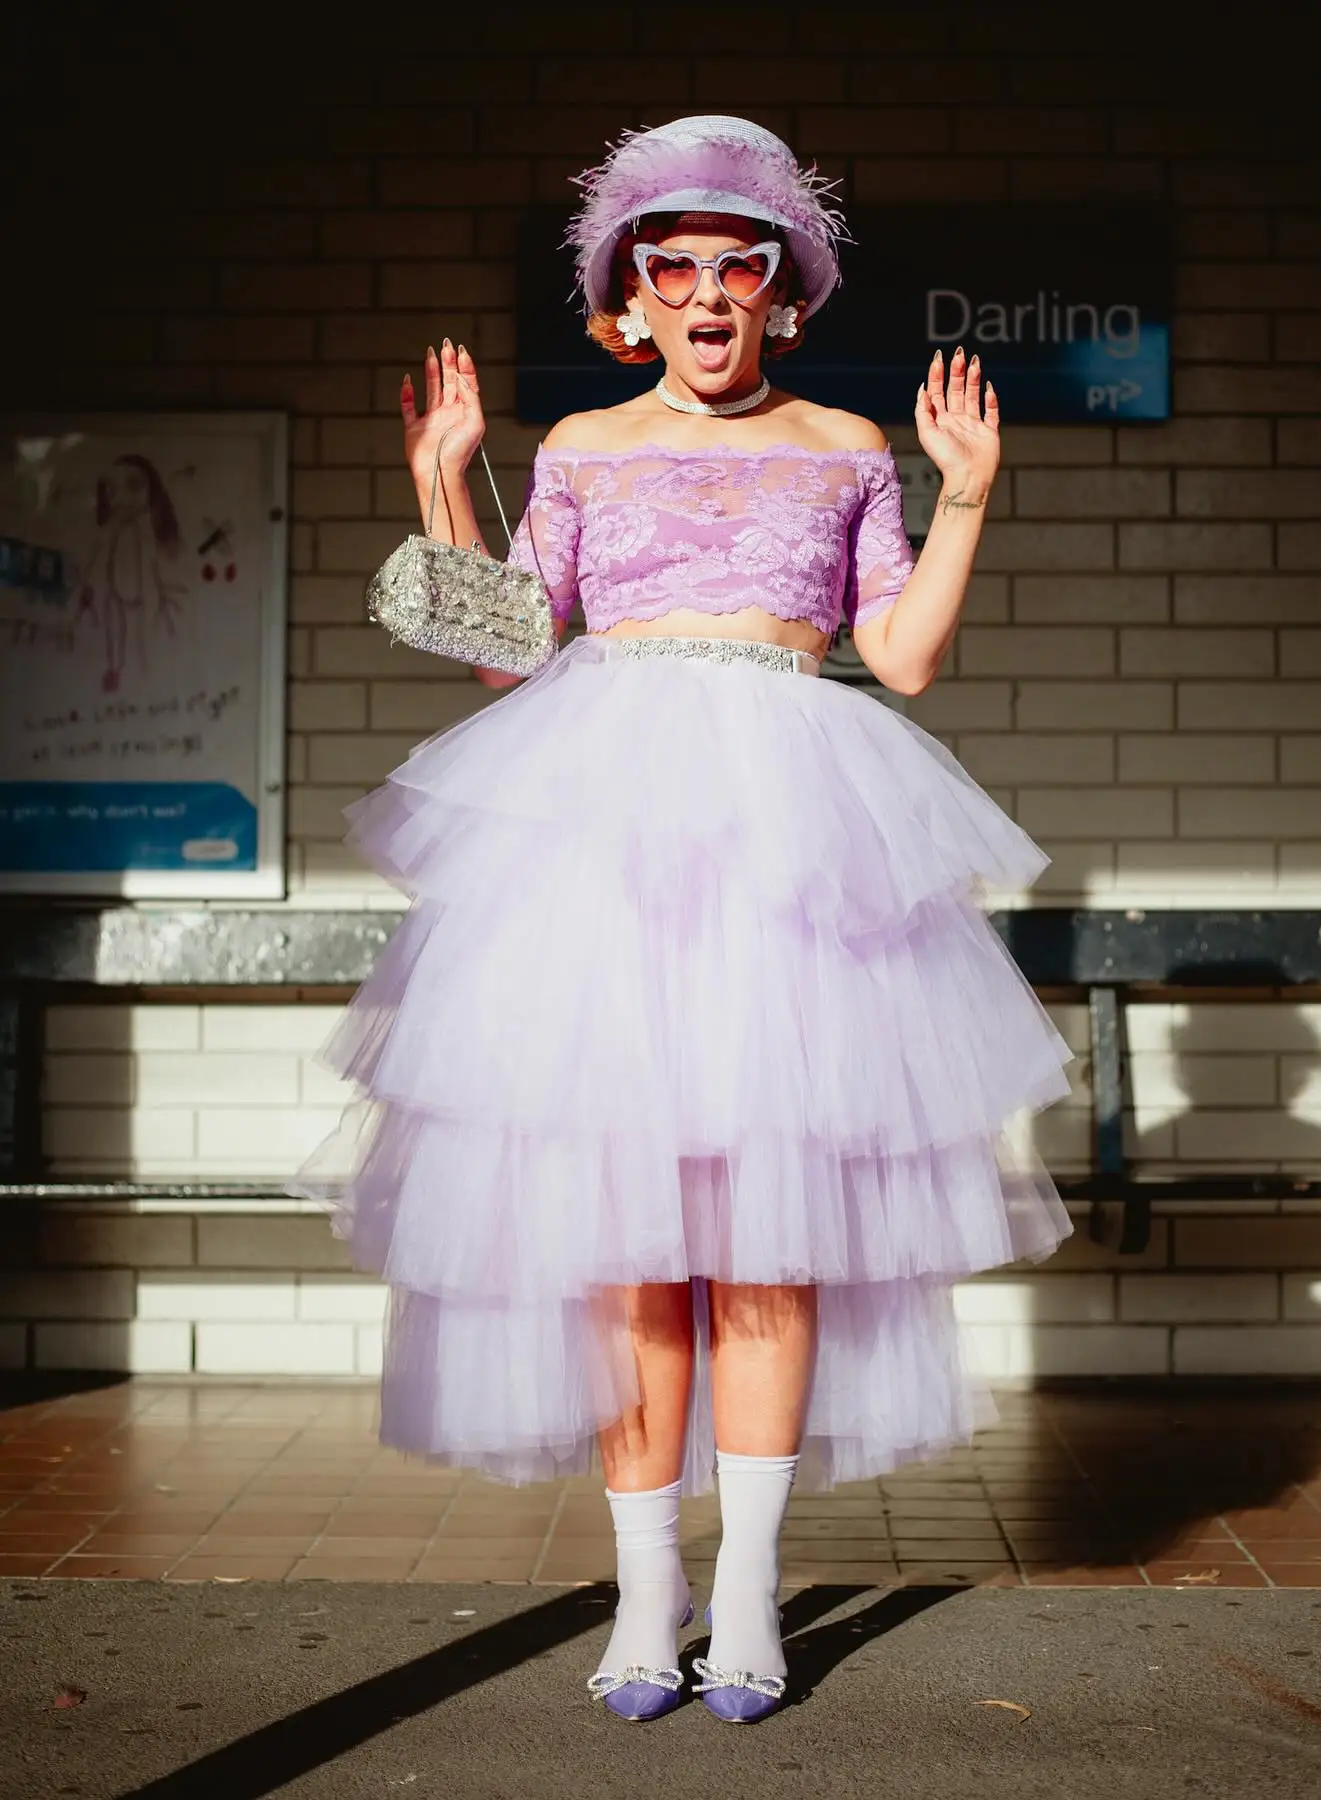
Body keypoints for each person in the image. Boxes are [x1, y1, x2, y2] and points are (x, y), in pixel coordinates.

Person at [297, 116, 1071, 1725]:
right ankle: (646, 1602)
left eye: (742, 268)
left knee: (771, 1253)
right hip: (614, 868)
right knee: (634, 1259)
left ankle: (748, 1603)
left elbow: (904, 658)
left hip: (792, 864)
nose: (710, 295)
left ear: (783, 295)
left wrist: (969, 502)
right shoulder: (577, 450)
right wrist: (442, 488)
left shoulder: (852, 442)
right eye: (677, 269)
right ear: (626, 300)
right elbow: (514, 646)